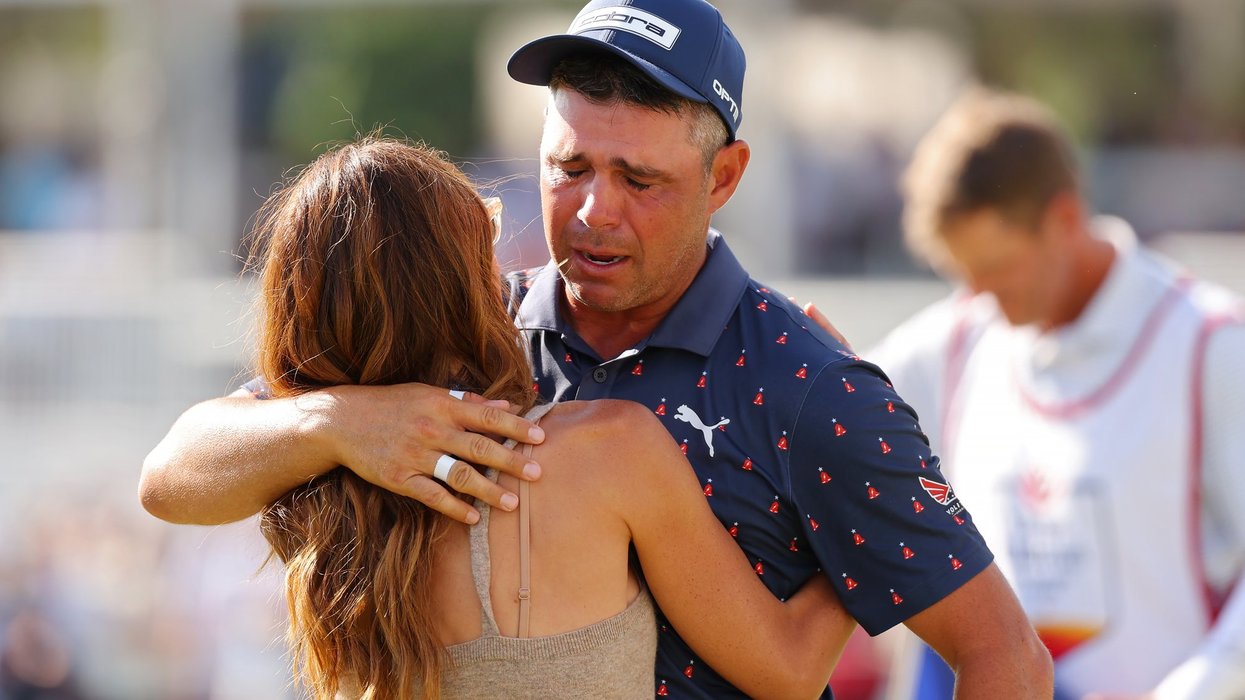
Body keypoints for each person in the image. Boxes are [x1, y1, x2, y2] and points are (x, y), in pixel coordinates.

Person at [140, 1, 1052, 697]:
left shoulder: (811, 387)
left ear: (722, 178)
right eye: (568, 167)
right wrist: (338, 422)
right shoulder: (461, 335)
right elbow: (173, 474)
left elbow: (1004, 655)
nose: (591, 210)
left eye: (639, 179)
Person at [239, 135, 855, 699]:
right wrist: (849, 468)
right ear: (455, 282)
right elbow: (791, 671)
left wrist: (327, 422)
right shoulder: (606, 450)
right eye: (486, 235)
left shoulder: (302, 484)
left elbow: (169, 477)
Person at [868, 88, 1245, 699]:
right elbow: (820, 408)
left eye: (997, 268)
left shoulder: (1212, 345)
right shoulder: (958, 339)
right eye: (965, 276)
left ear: (1064, 219)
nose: (980, 296)